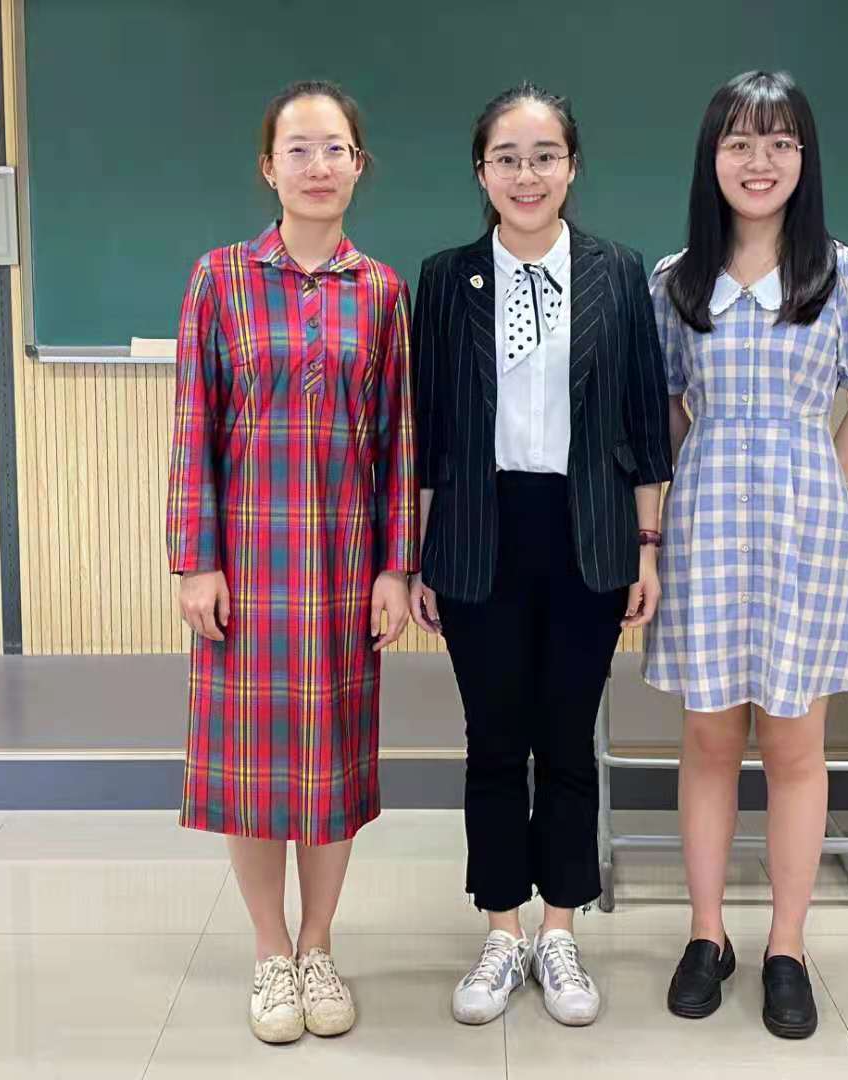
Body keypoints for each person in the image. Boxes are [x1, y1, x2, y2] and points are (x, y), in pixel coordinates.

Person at [408, 83, 673, 1028]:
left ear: (573, 166)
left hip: (587, 532)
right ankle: (500, 931)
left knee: (566, 741)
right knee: (492, 740)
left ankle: (559, 931)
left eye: (545, 156)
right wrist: (419, 555)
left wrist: (647, 548)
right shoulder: (445, 279)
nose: (527, 175)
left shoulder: (618, 272)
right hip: (478, 531)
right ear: (481, 172)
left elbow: (645, 424)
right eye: (508, 159)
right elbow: (429, 426)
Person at [644, 70, 848, 1040]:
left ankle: (786, 945)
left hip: (804, 525)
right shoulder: (676, 280)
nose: (760, 161)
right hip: (707, 519)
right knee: (709, 740)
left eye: (780, 142)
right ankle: (706, 934)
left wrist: (832, 479)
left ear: (804, 157)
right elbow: (667, 410)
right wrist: (663, 511)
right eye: (739, 142)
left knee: (795, 745)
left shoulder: (845, 271)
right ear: (711, 158)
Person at [165, 80, 418, 1045]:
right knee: (251, 764)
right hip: (247, 564)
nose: (319, 166)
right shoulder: (219, 279)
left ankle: (319, 945)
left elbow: (398, 442)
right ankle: (271, 951)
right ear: (269, 167)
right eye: (299, 150)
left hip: (346, 565)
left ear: (360, 165)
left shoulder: (382, 292)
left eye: (335, 149)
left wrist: (396, 568)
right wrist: (196, 560)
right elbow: (193, 428)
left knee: (334, 762)